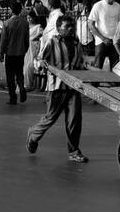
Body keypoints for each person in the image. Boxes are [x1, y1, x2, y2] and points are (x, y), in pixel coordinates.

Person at [27, 14, 88, 162]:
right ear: (59, 28)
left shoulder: (76, 43)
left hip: (73, 87)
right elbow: (39, 59)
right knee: (50, 118)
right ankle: (33, 135)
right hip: (56, 87)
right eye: (67, 26)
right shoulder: (52, 42)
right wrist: (41, 64)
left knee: (74, 120)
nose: (70, 29)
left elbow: (80, 64)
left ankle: (74, 151)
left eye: (71, 26)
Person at [0, 1, 31, 105]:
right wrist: (25, 49)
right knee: (19, 73)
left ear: (11, 11)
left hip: (10, 52)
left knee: (10, 76)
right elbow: (27, 39)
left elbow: (4, 40)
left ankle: (13, 97)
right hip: (20, 52)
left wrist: (1, 52)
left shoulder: (7, 23)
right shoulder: (25, 23)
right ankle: (21, 87)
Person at [88, 0, 120, 71]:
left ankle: (114, 83)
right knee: (98, 66)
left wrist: (119, 38)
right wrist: (103, 38)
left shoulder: (118, 6)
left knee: (115, 67)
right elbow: (90, 24)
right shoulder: (98, 5)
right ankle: (94, 84)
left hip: (114, 41)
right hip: (101, 41)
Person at [24, 9, 45, 91]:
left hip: (34, 47)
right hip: (26, 47)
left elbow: (42, 33)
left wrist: (35, 37)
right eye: (27, 18)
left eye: (30, 18)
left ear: (33, 18)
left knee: (31, 65)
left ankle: (30, 84)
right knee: (25, 66)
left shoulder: (38, 26)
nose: (29, 19)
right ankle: (26, 84)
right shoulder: (26, 26)